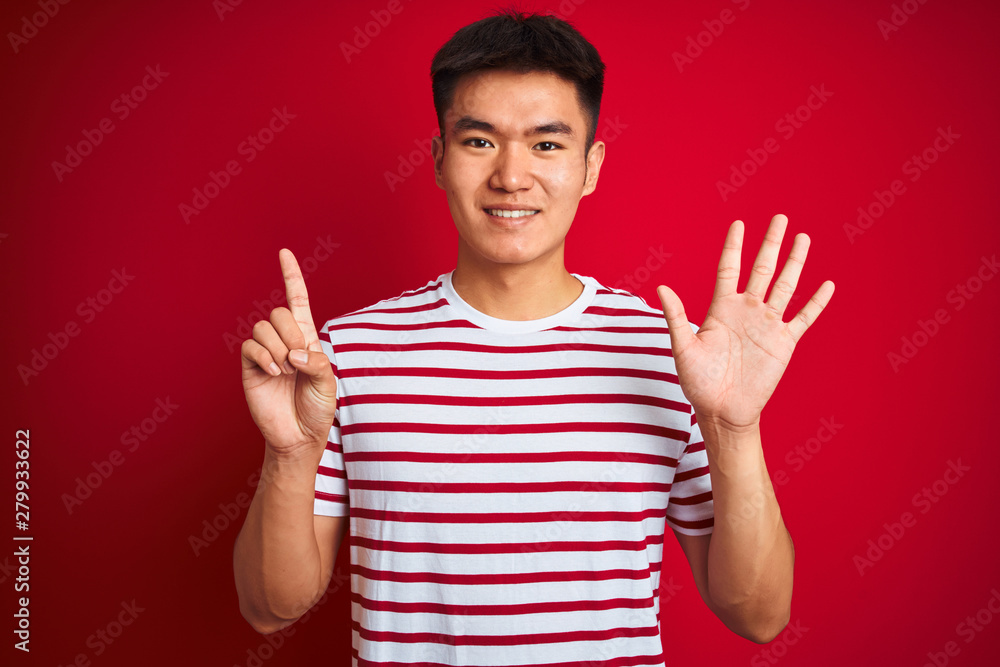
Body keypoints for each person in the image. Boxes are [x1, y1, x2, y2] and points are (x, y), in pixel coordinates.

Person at [233, 8, 834, 665]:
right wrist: (290, 454)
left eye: (546, 144)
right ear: (438, 159)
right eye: (479, 140)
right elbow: (269, 607)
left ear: (591, 166)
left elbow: (760, 614)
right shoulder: (344, 355)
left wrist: (734, 427)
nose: (511, 176)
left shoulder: (673, 355)